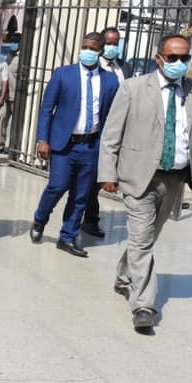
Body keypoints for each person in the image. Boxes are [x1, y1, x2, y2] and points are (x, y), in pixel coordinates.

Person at [99, 34, 192, 333]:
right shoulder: (133, 88)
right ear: (159, 58)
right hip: (139, 177)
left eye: (184, 58)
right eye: (172, 58)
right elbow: (111, 135)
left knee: (145, 238)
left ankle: (124, 276)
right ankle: (144, 305)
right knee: (142, 239)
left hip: (176, 178)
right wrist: (108, 174)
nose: (179, 64)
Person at [28, 33, 120, 258]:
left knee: (81, 195)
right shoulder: (63, 75)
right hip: (64, 145)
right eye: (85, 46)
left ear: (100, 51)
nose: (88, 50)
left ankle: (67, 236)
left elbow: (111, 116)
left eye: (93, 47)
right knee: (57, 186)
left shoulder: (110, 80)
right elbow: (46, 109)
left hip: (91, 146)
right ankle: (40, 218)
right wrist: (43, 139)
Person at [81, 26, 126, 237]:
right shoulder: (92, 66)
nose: (112, 47)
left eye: (116, 43)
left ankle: (87, 216)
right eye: (108, 43)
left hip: (117, 130)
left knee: (100, 179)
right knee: (93, 179)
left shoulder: (122, 67)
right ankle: (88, 219)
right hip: (97, 130)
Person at [0, 33, 20, 153]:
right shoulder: (9, 55)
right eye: (11, 41)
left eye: (15, 42)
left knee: (17, 122)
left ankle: (15, 146)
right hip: (6, 94)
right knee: (2, 118)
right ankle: (0, 144)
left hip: (16, 95)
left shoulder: (21, 57)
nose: (12, 44)